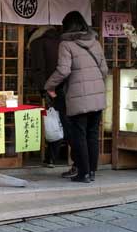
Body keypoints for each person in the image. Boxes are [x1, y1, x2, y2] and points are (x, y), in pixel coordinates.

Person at [45, 11, 108, 183]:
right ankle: (92, 172)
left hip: (78, 97)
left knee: (79, 134)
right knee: (92, 134)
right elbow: (104, 70)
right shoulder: (95, 42)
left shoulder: (66, 44)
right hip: (97, 97)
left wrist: (49, 85)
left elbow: (63, 70)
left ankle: (83, 173)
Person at [27, 25, 64, 169]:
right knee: (61, 121)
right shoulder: (63, 43)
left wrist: (44, 89)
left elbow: (38, 69)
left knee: (51, 121)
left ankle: (50, 157)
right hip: (65, 87)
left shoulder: (38, 43)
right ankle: (61, 157)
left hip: (49, 88)